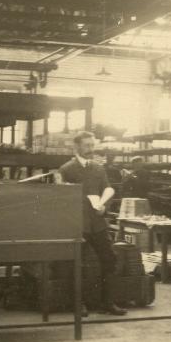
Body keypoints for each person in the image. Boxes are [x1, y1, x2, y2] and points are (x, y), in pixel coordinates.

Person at [58, 131, 127, 316]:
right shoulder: (67, 169)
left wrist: (105, 205)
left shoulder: (98, 169)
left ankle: (107, 302)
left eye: (92, 145)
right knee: (76, 264)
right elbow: (62, 198)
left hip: (97, 223)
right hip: (77, 224)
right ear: (77, 147)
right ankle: (78, 304)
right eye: (87, 145)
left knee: (110, 259)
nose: (91, 149)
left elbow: (107, 188)